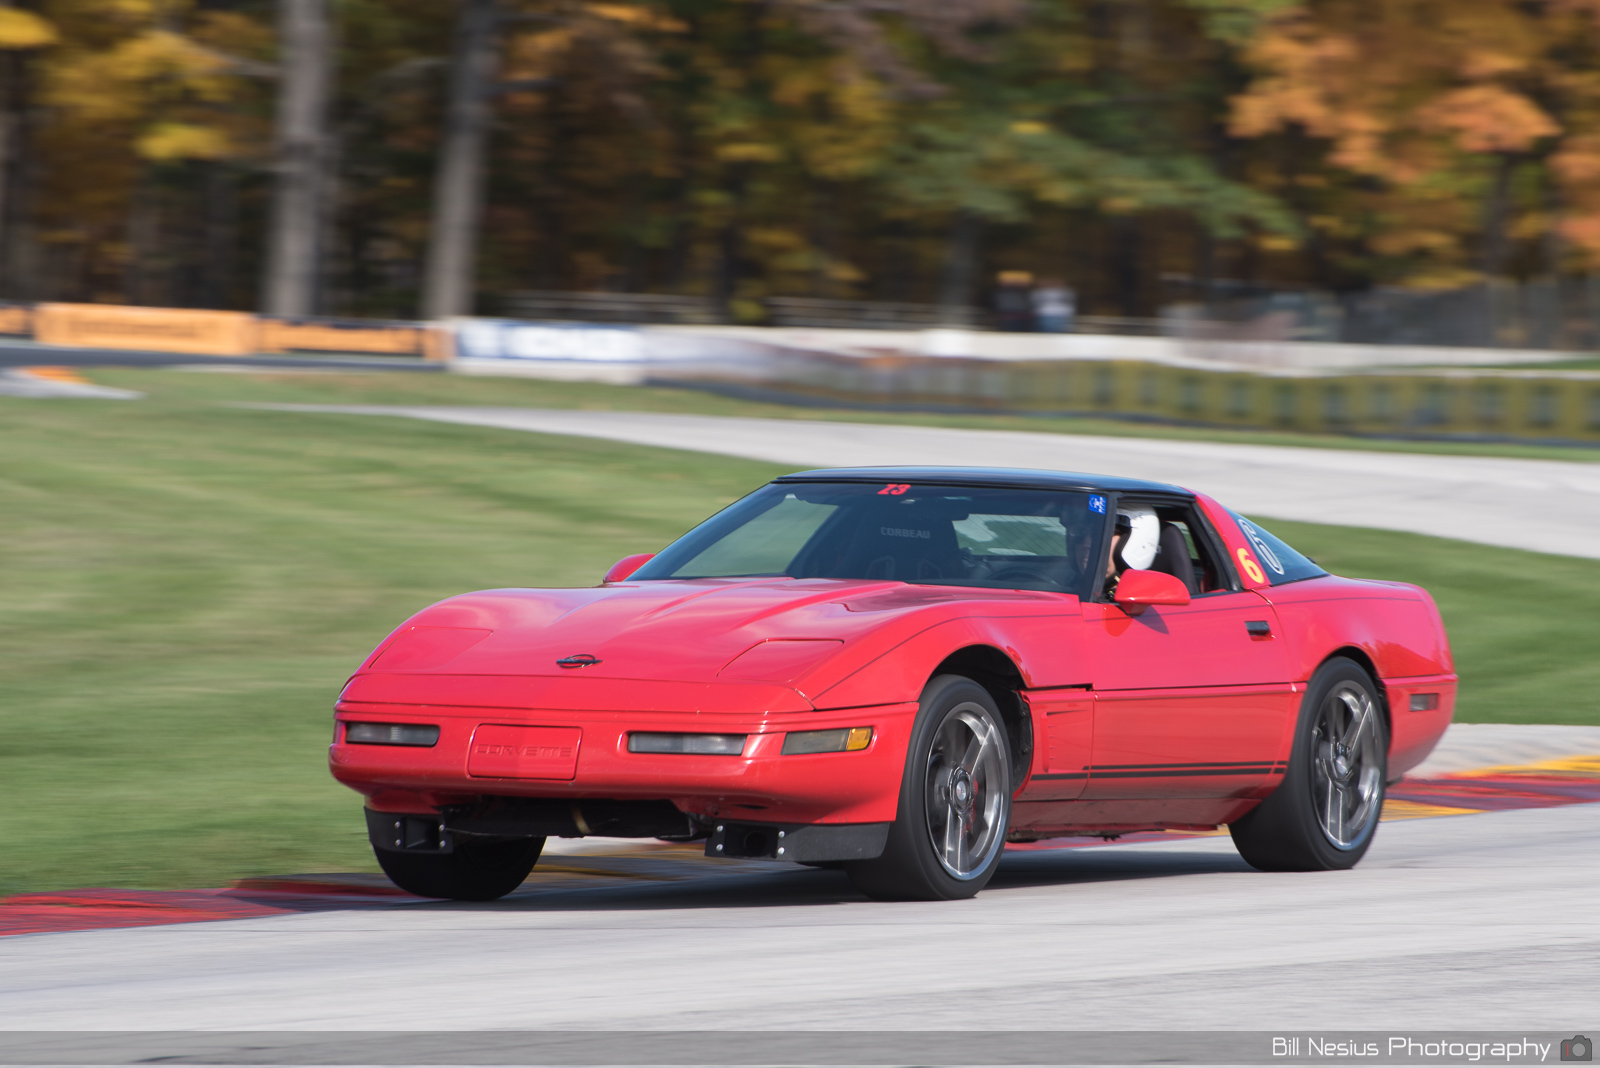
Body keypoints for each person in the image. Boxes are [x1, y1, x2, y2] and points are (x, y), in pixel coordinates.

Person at [1103, 505, 1159, 598]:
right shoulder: (1071, 582)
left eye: (1109, 534)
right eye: (1084, 532)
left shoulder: (1141, 604)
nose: (1087, 543)